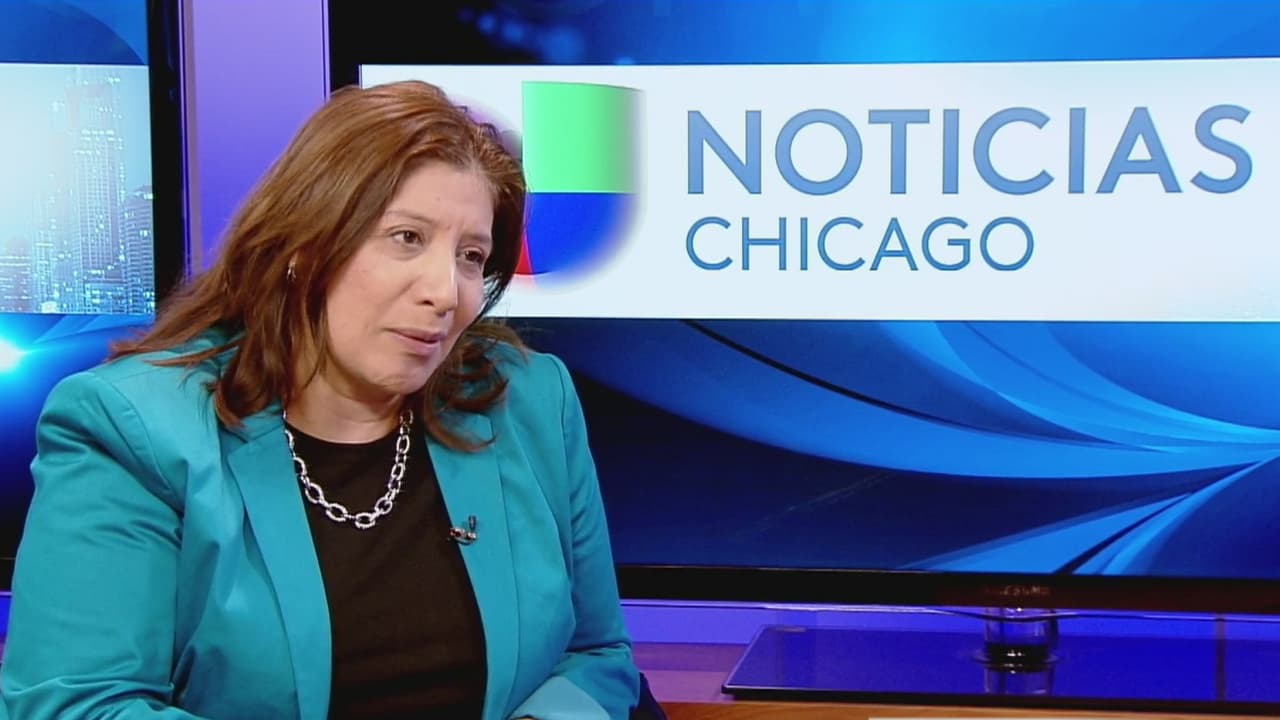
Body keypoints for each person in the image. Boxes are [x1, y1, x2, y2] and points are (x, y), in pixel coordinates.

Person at [0, 80, 641, 720]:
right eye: (407, 238)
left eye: (470, 256)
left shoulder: (529, 401)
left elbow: (595, 655)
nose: (445, 291)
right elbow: (77, 704)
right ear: (305, 247)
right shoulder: (133, 427)